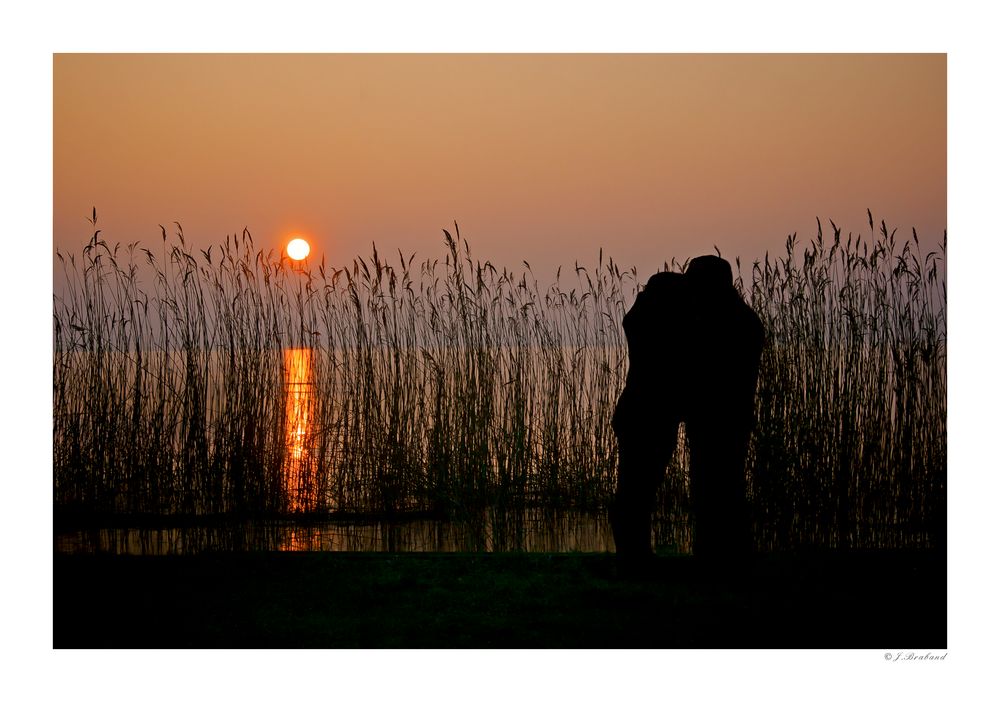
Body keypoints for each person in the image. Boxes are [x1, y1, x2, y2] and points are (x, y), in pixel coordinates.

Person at [611, 256, 764, 562]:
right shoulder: (712, 316)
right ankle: (706, 556)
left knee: (718, 489)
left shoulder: (726, 321)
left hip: (719, 418)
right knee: (650, 489)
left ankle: (717, 555)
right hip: (670, 414)